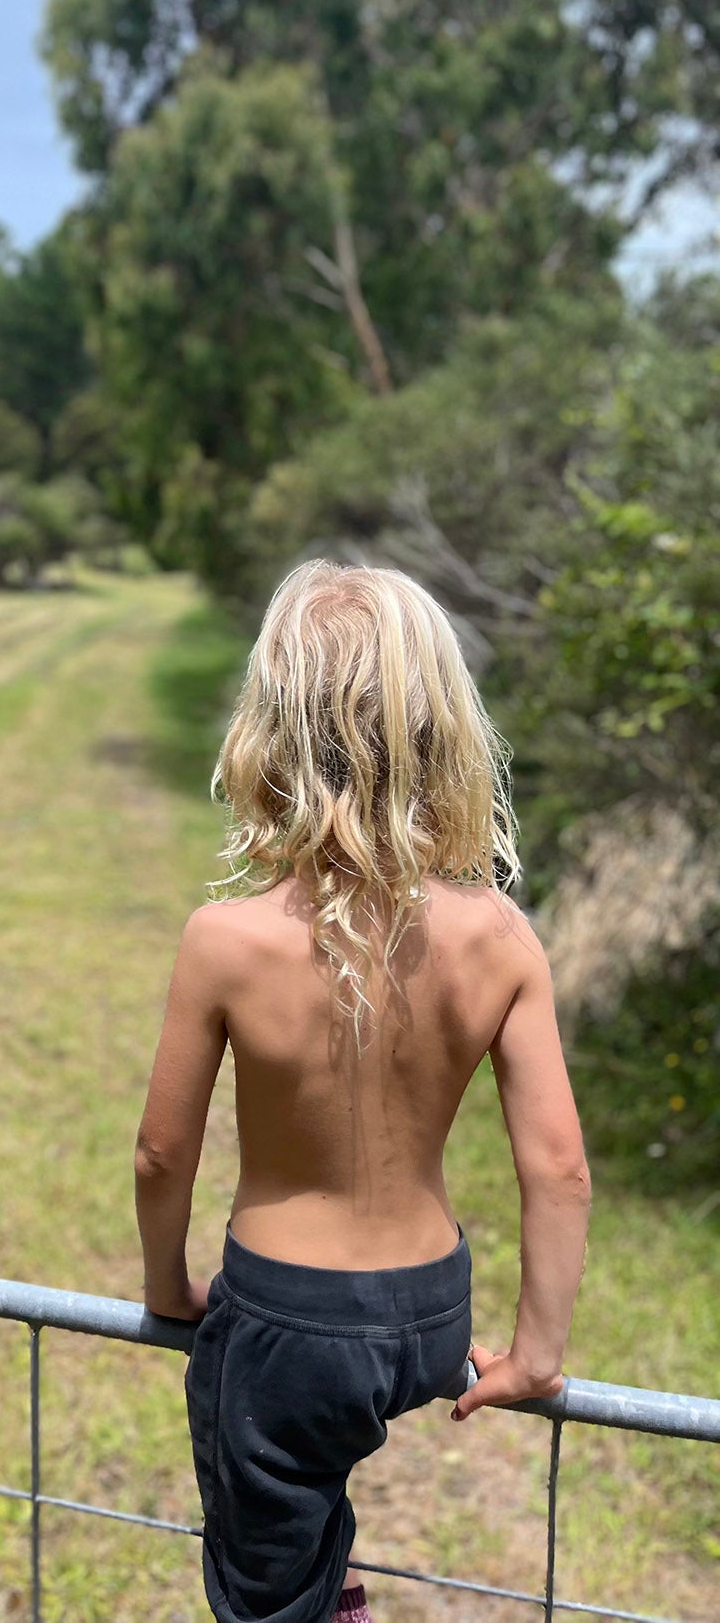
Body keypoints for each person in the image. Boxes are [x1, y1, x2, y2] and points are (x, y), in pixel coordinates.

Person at [134, 560, 592, 1623]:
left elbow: (162, 1153)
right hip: (429, 1312)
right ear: (441, 727)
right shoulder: (500, 935)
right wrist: (536, 1351)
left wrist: (168, 1285)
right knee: (318, 1524)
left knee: (265, 1585)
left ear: (271, 729)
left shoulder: (226, 940)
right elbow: (559, 1169)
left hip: (286, 1321)